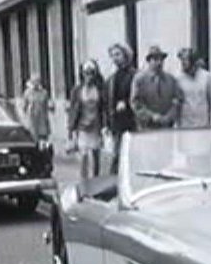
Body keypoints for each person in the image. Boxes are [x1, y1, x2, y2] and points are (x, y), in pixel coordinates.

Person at [67, 59, 106, 180]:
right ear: (82, 74)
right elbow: (73, 110)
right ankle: (84, 180)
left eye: (91, 73)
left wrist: (105, 124)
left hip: (96, 126)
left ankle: (96, 178)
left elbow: (104, 108)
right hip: (82, 126)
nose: (88, 76)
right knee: (83, 155)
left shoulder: (99, 89)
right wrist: (71, 128)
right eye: (86, 73)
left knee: (96, 154)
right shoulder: (77, 90)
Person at [130, 45, 183, 130]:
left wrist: (169, 116)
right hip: (147, 127)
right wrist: (151, 116)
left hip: (167, 127)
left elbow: (178, 100)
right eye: (155, 59)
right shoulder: (139, 79)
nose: (159, 62)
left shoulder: (171, 79)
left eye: (161, 59)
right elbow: (136, 103)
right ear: (149, 61)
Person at [105, 42, 136, 174]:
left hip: (131, 121)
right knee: (116, 155)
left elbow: (138, 97)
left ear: (125, 55)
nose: (115, 58)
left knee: (130, 155)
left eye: (118, 54)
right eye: (112, 55)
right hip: (117, 122)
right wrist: (107, 122)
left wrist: (126, 103)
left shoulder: (134, 75)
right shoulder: (112, 78)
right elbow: (107, 101)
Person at [175, 48, 211, 128]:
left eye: (185, 60)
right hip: (185, 126)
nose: (182, 63)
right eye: (181, 61)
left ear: (193, 61)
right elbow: (176, 103)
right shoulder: (178, 79)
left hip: (203, 125)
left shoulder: (206, 77)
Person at [22, 74, 53, 141]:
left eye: (38, 81)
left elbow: (46, 106)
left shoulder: (44, 93)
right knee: (33, 138)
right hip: (32, 120)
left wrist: (50, 107)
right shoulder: (27, 93)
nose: (36, 83)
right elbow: (24, 108)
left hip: (42, 120)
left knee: (43, 139)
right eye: (34, 81)